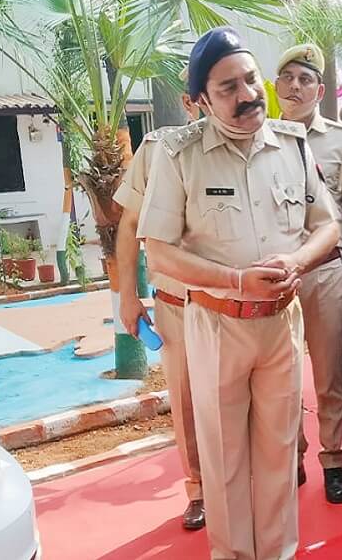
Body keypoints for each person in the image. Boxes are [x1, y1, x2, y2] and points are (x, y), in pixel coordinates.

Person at [137, 26, 339, 560]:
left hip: (280, 323)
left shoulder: (293, 146)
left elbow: (329, 225)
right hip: (218, 322)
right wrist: (234, 280)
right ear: (199, 100)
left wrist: (297, 260)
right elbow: (158, 252)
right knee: (224, 459)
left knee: (277, 453)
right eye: (227, 88)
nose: (248, 95)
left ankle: (278, 553)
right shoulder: (178, 155)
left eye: (251, 80)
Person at [276, 43, 342, 504]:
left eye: (305, 80)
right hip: (275, 278)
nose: (295, 86)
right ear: (276, 86)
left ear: (319, 90)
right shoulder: (258, 138)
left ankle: (333, 461)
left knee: (327, 377)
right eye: (288, 78)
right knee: (281, 375)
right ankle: (291, 456)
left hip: (328, 274)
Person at [114, 92, 205, 530]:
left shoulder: (262, 146)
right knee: (186, 401)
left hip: (243, 305)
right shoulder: (157, 149)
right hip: (178, 305)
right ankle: (199, 490)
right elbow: (130, 224)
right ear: (191, 102)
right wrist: (127, 296)